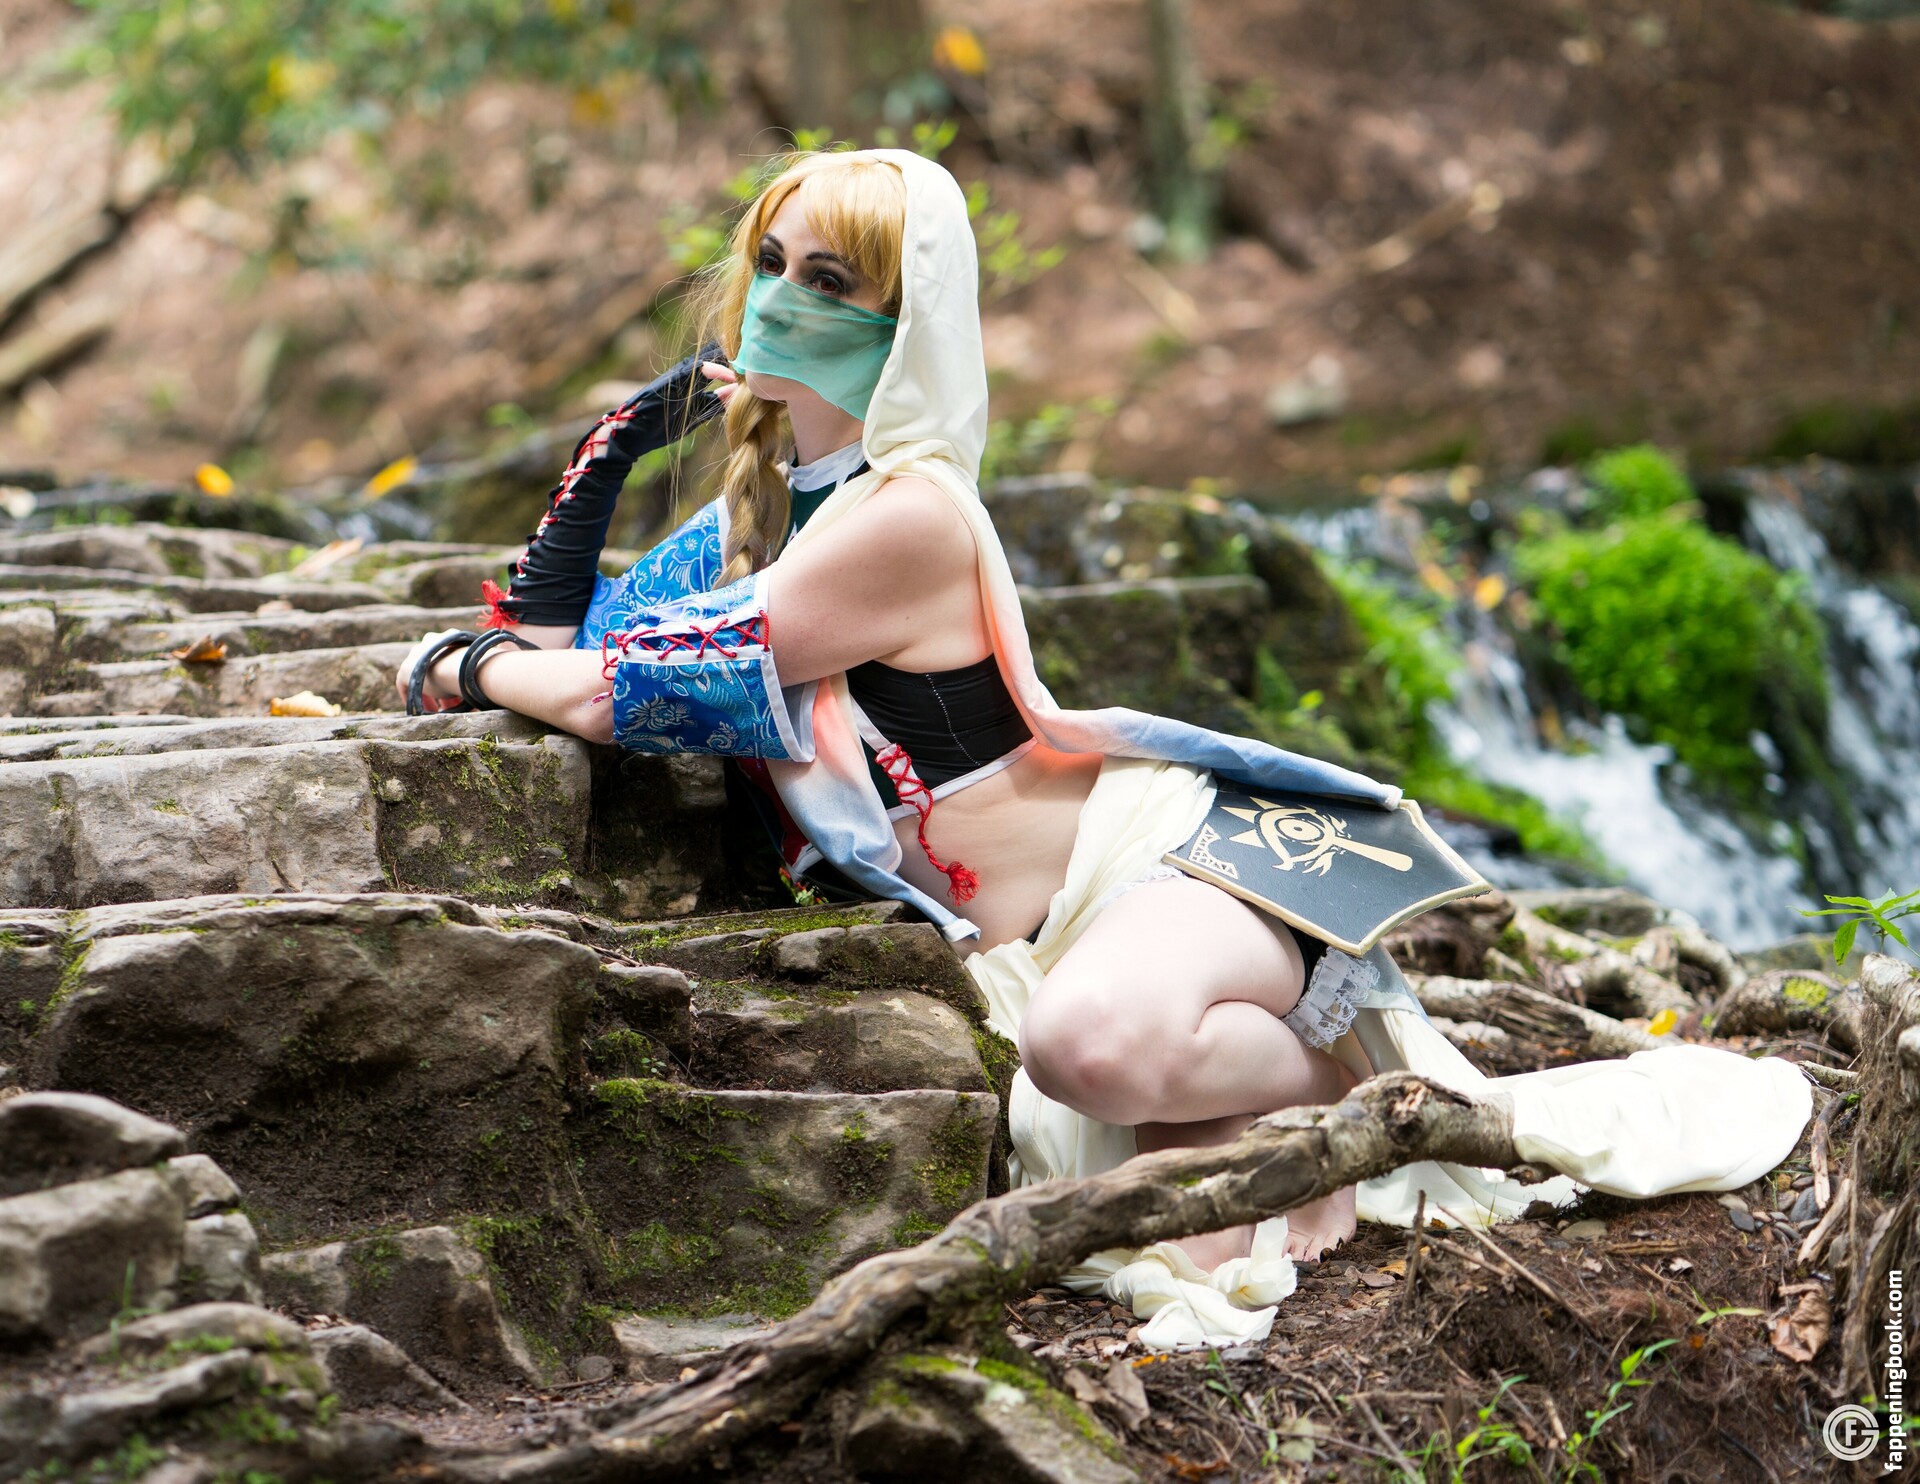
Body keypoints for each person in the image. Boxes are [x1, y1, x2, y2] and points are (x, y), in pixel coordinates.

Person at [399, 148, 1813, 1349]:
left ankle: (1353, 1080)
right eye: (769, 262)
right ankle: (1266, 1091)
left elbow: (627, 692)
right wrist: (630, 437)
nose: (778, 297)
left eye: (829, 280)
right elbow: (565, 632)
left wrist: (468, 670)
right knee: (1158, 1231)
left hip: (1165, 873)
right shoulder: (761, 524)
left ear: (906, 324)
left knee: (1091, 1050)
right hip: (1032, 944)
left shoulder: (908, 516)